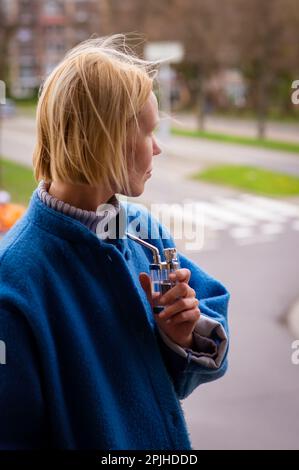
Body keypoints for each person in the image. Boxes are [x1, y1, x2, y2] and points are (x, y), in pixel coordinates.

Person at [0, 35, 230, 450]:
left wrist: (181, 336)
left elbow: (200, 342)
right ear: (101, 140)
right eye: (148, 132)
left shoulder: (145, 233)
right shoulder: (14, 283)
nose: (158, 148)